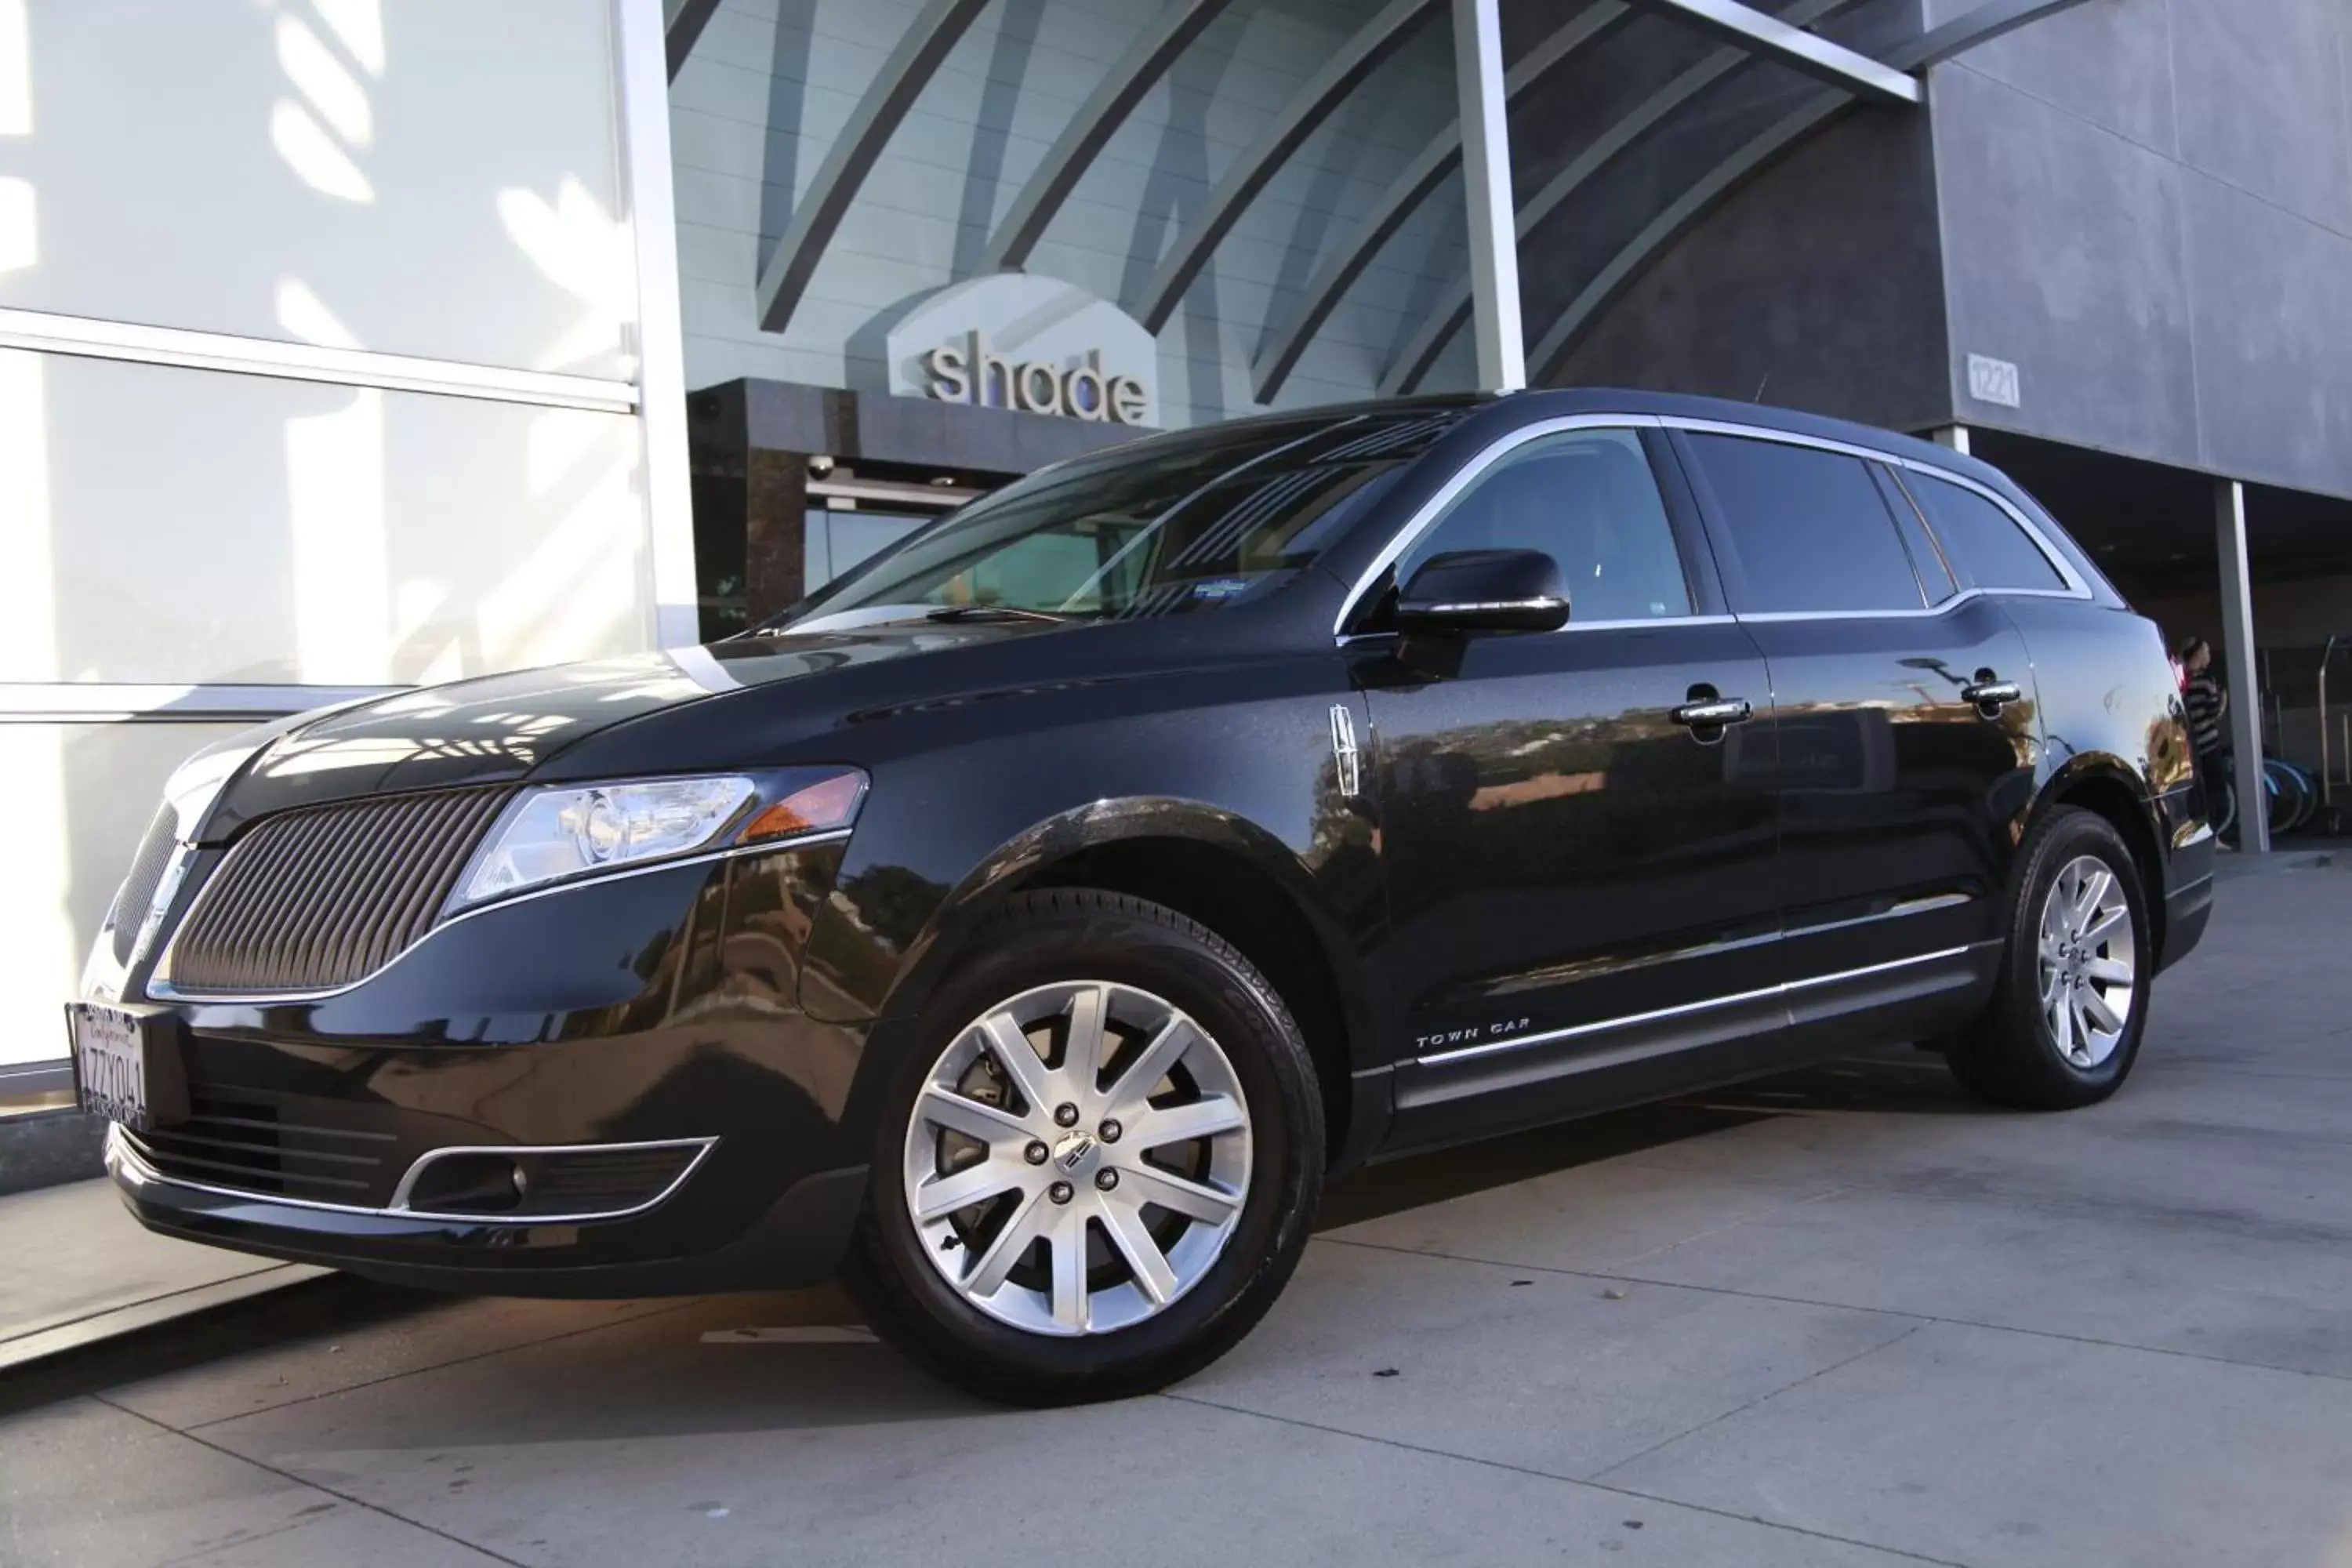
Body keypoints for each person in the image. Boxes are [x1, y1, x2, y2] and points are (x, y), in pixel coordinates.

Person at [2179, 637, 2230, 836]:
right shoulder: (2205, 681)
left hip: (2191, 748)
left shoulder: (2181, 680)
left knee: (2201, 793)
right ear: (2199, 655)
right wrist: (2223, 699)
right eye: (2206, 652)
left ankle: (2205, 833)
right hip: (2209, 745)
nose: (2209, 656)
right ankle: (2213, 834)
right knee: (2218, 794)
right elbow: (2213, 713)